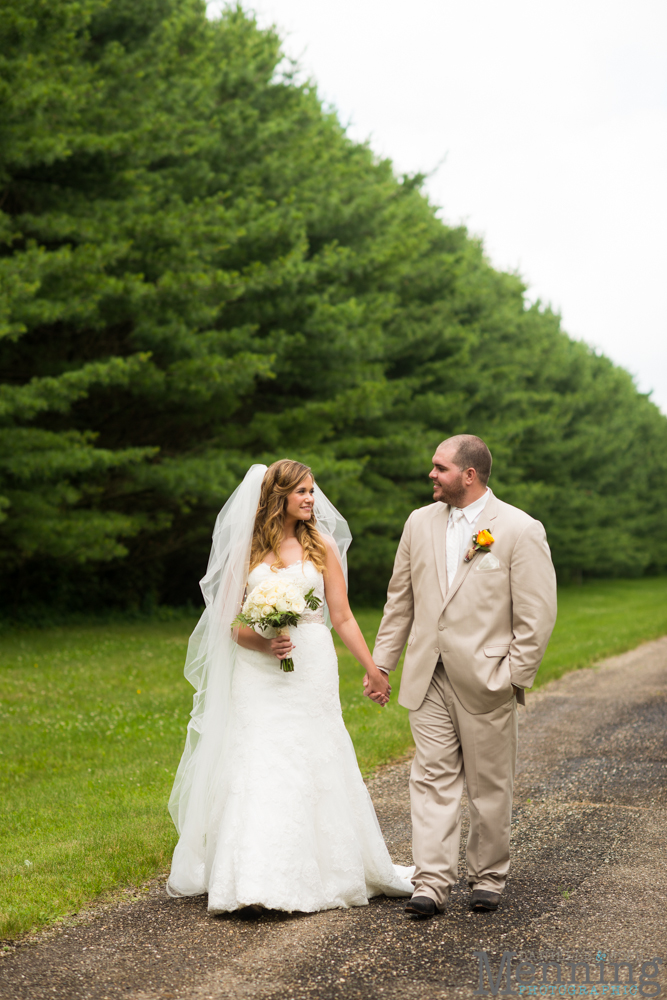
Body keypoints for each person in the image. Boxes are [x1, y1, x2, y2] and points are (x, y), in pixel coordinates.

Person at [167, 459, 414, 915]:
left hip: (311, 664)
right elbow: (228, 623)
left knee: (313, 754)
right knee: (259, 760)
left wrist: (374, 668)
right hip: (258, 671)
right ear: (277, 496)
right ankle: (253, 878)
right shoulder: (248, 550)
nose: (310, 499)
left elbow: (340, 615)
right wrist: (261, 644)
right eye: (301, 491)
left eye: (312, 491)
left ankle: (320, 871)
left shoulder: (320, 545)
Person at [371, 435, 557, 917]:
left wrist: (513, 675)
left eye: (439, 467)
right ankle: (431, 883)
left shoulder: (519, 529)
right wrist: (382, 663)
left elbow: (536, 615)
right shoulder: (418, 523)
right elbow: (400, 601)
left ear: (468, 475)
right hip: (426, 674)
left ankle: (488, 876)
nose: (430, 474)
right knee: (431, 778)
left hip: (487, 677)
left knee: (489, 784)